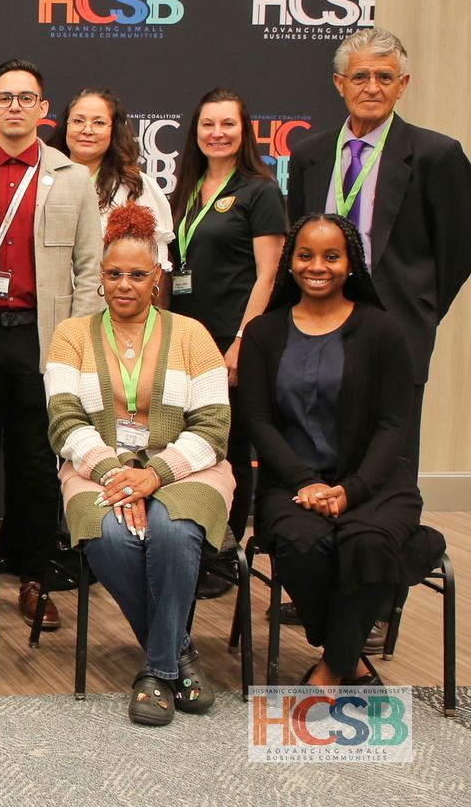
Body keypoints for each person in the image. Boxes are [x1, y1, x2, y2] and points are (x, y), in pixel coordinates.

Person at [46, 205, 235, 725]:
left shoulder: (193, 334)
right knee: (109, 535)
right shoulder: (71, 335)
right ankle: (178, 657)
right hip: (97, 467)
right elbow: (64, 421)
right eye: (113, 274)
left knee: (174, 531)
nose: (124, 285)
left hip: (189, 467)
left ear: (157, 278)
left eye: (136, 274)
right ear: (99, 276)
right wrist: (116, 475)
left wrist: (154, 476)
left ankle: (157, 671)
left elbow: (214, 426)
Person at [0, 58, 103, 628]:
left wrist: (74, 344)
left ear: (42, 109)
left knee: (36, 463)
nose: (14, 107)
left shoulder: (73, 178)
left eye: (26, 98)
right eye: (4, 97)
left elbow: (89, 269)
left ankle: (35, 577)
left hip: (44, 341)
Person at [239, 213, 440, 688]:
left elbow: (393, 425)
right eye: (305, 255)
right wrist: (305, 482)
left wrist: (352, 490)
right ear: (290, 263)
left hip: (376, 482)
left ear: (351, 264)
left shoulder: (384, 331)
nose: (317, 266)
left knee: (367, 542)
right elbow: (259, 421)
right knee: (303, 544)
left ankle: (333, 668)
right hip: (292, 486)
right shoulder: (264, 333)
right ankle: (353, 653)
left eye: (332, 256)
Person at [286, 27, 471, 467]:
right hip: (318, 322)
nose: (372, 87)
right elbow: (297, 237)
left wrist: (422, 304)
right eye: (360, 77)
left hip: (397, 322)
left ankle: (388, 515)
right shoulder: (309, 155)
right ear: (340, 84)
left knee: (392, 453)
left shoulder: (437, 155)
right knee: (318, 442)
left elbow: (460, 245)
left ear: (402, 85)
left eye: (384, 77)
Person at [165, 88, 286, 597]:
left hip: (231, 340)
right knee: (186, 441)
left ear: (244, 131)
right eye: (208, 124)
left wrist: (241, 341)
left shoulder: (259, 191)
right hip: (183, 339)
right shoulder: (186, 189)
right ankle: (190, 544)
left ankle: (222, 555)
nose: (217, 133)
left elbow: (269, 274)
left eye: (228, 124)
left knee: (229, 446)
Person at [47, 88, 175, 271]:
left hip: (111, 289)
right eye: (78, 121)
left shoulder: (136, 186)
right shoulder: (43, 178)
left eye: (99, 122)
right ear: (66, 126)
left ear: (114, 130)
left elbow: (156, 260)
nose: (87, 130)